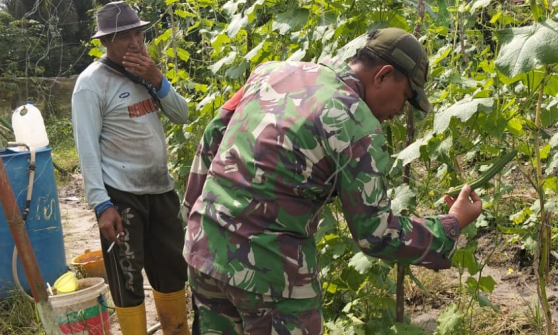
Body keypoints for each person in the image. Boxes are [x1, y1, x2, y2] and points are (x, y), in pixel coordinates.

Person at [184, 27, 482, 334]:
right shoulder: (354, 123)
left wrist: (193, 218)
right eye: (405, 97)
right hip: (269, 275)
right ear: (383, 75)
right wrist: (451, 225)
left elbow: (211, 138)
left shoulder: (272, 71)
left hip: (203, 250)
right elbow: (377, 234)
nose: (399, 111)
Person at [72, 1, 191, 335]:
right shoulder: (91, 84)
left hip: (161, 190)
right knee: (127, 280)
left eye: (138, 32)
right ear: (105, 42)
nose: (135, 42)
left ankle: (176, 329)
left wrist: (157, 78)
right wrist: (101, 204)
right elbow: (87, 149)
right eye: (124, 36)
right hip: (122, 197)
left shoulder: (146, 74)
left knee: (172, 273)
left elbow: (182, 115)